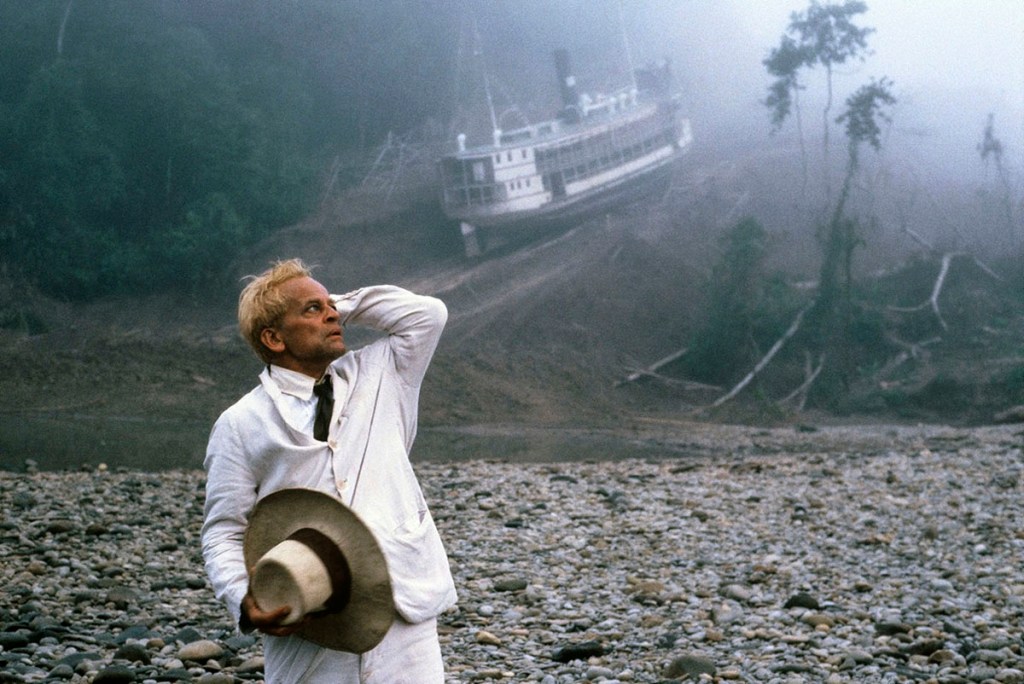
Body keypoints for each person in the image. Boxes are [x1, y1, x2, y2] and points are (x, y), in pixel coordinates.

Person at [201, 258, 457, 683]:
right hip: (307, 617)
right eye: (312, 311)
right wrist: (244, 600)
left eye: (330, 306)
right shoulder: (240, 423)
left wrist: (329, 301)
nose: (332, 315)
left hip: (402, 605)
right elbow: (223, 530)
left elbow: (428, 314)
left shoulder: (382, 372)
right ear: (273, 338)